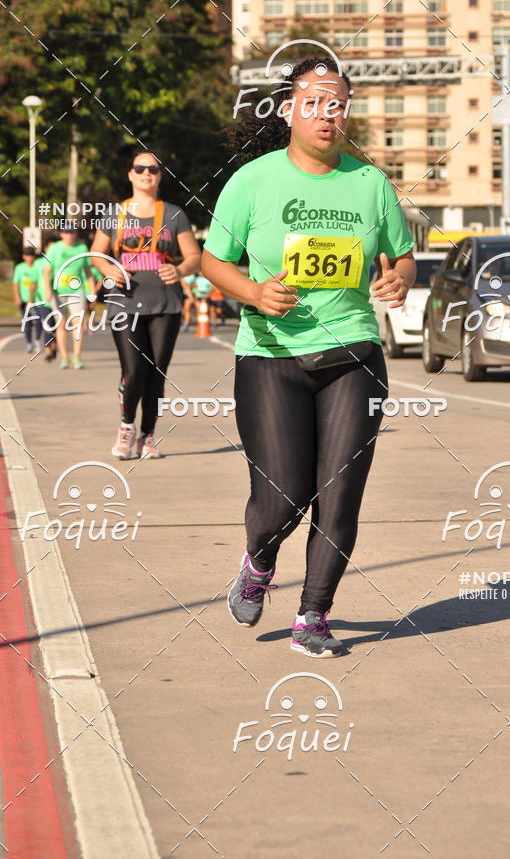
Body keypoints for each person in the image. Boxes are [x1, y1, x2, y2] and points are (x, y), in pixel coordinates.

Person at [201, 56, 416, 658]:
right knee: (283, 497)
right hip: (271, 356)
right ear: (289, 110)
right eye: (315, 103)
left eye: (338, 104)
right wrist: (253, 293)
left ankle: (313, 615)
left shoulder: (370, 184)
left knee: (340, 494)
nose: (327, 115)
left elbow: (402, 256)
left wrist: (398, 279)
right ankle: (259, 560)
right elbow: (214, 260)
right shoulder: (252, 181)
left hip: (353, 354)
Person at [90, 150, 201, 459]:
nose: (146, 174)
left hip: (166, 304)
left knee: (156, 373)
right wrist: (108, 269)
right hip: (124, 304)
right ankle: (126, 426)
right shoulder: (114, 214)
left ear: (160, 175)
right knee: (134, 370)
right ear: (130, 174)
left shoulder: (174, 214)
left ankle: (147, 436)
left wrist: (180, 270)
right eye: (139, 168)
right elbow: (97, 254)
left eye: (153, 169)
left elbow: (194, 257)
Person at [43, 223, 93, 369]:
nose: (69, 235)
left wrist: (92, 291)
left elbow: (88, 272)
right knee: (61, 324)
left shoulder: (82, 248)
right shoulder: (55, 248)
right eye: (66, 232)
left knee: (78, 323)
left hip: (77, 291)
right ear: (61, 234)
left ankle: (76, 356)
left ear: (76, 233)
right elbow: (47, 272)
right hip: (58, 291)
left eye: (72, 232)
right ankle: (64, 357)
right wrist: (47, 289)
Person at [12, 246, 40, 352]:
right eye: (28, 255)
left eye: (32, 255)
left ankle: (37, 341)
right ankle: (29, 343)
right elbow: (15, 283)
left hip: (37, 299)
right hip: (24, 299)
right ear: (24, 256)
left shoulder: (37, 266)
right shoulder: (19, 268)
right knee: (26, 321)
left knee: (39, 321)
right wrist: (17, 296)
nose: (30, 257)